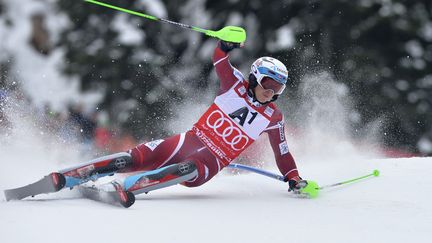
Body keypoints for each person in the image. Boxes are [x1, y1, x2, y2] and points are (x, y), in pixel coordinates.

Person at [7, 40, 310, 206]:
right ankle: (70, 176)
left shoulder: (273, 117)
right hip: (187, 139)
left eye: (279, 88)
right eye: (269, 83)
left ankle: (127, 186)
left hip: (210, 160)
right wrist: (226, 44)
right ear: (256, 76)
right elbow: (219, 59)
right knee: (133, 157)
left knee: (188, 168)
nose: (272, 92)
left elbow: (282, 153)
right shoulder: (234, 84)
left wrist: (294, 177)